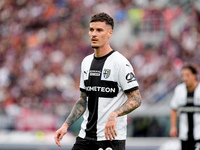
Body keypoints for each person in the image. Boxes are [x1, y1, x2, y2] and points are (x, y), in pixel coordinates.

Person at [54, 12, 142, 150]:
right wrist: (66, 125)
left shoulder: (120, 63)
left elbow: (136, 99)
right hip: (85, 137)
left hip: (111, 139)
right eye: (91, 30)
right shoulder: (86, 62)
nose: (94, 34)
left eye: (99, 30)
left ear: (109, 33)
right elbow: (83, 100)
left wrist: (115, 113)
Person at [170, 63, 200, 150]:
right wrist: (173, 127)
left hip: (198, 135)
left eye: (187, 75)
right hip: (184, 136)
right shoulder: (179, 90)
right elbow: (174, 109)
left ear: (194, 75)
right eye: (183, 75)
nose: (185, 78)